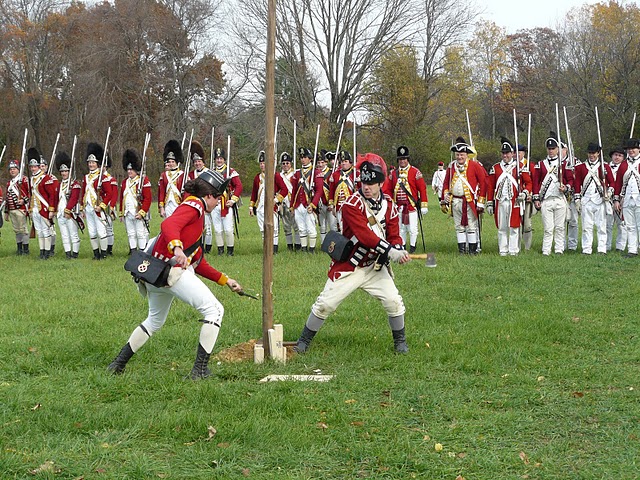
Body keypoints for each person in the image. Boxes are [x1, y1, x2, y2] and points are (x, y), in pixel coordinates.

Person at [108, 171, 245, 380]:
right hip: (169, 273)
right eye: (218, 198)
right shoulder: (195, 205)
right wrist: (177, 248)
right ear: (209, 195)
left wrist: (226, 281)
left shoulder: (197, 214)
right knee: (215, 310)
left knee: (154, 321)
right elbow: (169, 225)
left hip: (155, 275)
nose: (219, 203)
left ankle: (118, 364)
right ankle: (199, 371)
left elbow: (199, 263)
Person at [293, 154, 411, 355]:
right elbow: (364, 235)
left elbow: (394, 234)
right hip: (351, 265)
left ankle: (400, 342)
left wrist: (398, 248)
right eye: (364, 182)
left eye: (372, 182)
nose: (366, 186)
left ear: (381, 183)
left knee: (394, 301)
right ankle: (303, 341)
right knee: (325, 304)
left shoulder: (389, 205)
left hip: (375, 266)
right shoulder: (351, 205)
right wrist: (390, 250)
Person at [440, 137, 487, 254]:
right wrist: (445, 196)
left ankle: (472, 250)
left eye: (462, 155)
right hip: (455, 202)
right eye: (457, 155)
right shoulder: (451, 167)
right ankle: (462, 250)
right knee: (459, 226)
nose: (459, 157)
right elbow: (446, 183)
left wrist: (481, 201)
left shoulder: (475, 166)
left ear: (466, 155)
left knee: (471, 226)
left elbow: (484, 182)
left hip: (470, 201)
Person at [486, 137, 532, 256]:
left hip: (514, 201)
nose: (505, 155)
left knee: (514, 226)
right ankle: (503, 250)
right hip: (500, 201)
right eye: (503, 153)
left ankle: (513, 250)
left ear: (512, 153)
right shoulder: (495, 168)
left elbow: (529, 183)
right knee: (502, 227)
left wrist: (525, 193)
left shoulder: (519, 166)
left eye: (507, 153)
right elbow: (490, 187)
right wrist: (490, 202)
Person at [532, 132, 574, 256]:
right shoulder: (541, 164)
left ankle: (559, 249)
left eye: (553, 148)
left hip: (560, 199)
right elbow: (536, 183)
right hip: (546, 199)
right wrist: (536, 198)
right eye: (549, 149)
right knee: (548, 228)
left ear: (558, 149)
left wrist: (566, 188)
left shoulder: (564, 164)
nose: (551, 151)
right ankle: (546, 250)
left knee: (560, 227)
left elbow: (571, 180)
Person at [573, 143, 614, 255]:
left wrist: (609, 192)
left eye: (594, 153)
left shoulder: (604, 167)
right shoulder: (580, 167)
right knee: (587, 227)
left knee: (601, 226)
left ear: (598, 153)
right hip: (586, 200)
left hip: (600, 200)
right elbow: (577, 184)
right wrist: (577, 199)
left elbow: (612, 182)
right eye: (590, 153)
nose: (591, 155)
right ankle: (586, 249)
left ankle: (602, 248)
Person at [388, 146, 428, 253]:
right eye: (400, 159)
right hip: (398, 206)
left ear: (408, 159)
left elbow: (422, 189)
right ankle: (403, 246)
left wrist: (424, 205)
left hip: (411, 205)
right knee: (401, 228)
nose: (402, 161)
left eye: (404, 159)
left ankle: (412, 247)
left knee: (412, 229)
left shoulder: (415, 172)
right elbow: (389, 190)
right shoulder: (393, 174)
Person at [248, 151, 288, 253]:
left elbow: (284, 190)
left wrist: (275, 200)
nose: (262, 165)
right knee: (263, 230)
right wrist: (251, 206)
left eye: (264, 163)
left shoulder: (275, 175)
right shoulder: (258, 177)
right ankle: (266, 249)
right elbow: (254, 193)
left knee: (273, 229)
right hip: (260, 207)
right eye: (261, 163)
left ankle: (274, 249)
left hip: (272, 207)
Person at [81, 142, 115, 260]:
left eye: (93, 162)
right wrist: (82, 207)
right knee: (92, 232)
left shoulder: (102, 177)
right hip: (89, 207)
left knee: (101, 232)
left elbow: (109, 193)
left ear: (97, 164)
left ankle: (104, 253)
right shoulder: (86, 177)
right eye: (89, 162)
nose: (91, 164)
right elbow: (83, 193)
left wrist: (102, 206)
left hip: (98, 208)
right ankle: (96, 253)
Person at [119, 149, 152, 254]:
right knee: (130, 233)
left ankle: (142, 252)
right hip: (128, 212)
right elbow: (122, 198)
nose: (129, 171)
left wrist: (142, 212)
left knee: (140, 233)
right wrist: (121, 213)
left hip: (138, 212)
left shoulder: (143, 180)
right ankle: (133, 252)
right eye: (128, 169)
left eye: (131, 169)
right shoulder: (125, 182)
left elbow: (148, 199)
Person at [28, 148, 59, 259]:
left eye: (35, 166)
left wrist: (51, 209)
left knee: (46, 231)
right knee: (40, 231)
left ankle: (47, 252)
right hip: (35, 208)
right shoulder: (31, 179)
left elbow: (52, 195)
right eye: (31, 167)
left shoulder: (45, 178)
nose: (33, 169)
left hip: (44, 207)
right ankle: (41, 251)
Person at [211, 147, 242, 256]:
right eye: (217, 158)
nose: (219, 160)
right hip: (215, 204)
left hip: (227, 204)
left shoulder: (230, 171)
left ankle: (230, 251)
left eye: (221, 158)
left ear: (224, 159)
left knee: (228, 229)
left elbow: (239, 186)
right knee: (218, 230)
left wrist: (233, 200)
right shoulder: (212, 172)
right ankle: (220, 250)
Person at [613, 138, 640, 257]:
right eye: (629, 149)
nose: (630, 151)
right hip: (628, 199)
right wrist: (617, 200)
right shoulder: (623, 165)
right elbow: (618, 183)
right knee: (630, 226)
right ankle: (632, 250)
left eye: (633, 148)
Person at [291, 147, 321, 252]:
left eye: (305, 157)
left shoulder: (315, 172)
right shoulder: (297, 173)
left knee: (311, 227)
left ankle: (311, 249)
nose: (303, 159)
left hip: (309, 204)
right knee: (301, 228)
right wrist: (292, 206)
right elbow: (294, 191)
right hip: (298, 205)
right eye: (301, 157)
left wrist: (313, 205)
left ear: (310, 158)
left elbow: (319, 191)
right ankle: (304, 248)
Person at [187, 141, 214, 253]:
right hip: (196, 204)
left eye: (199, 161)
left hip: (207, 203)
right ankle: (199, 247)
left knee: (207, 227)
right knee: (199, 228)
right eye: (195, 162)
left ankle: (207, 248)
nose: (197, 163)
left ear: (203, 162)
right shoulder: (191, 175)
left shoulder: (209, 172)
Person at [55, 152, 82, 259]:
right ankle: (67, 253)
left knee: (73, 234)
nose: (64, 173)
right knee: (64, 235)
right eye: (62, 171)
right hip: (60, 213)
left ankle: (75, 254)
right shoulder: (59, 184)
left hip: (70, 213)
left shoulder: (74, 184)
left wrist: (68, 210)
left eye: (66, 171)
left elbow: (74, 198)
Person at [5, 159, 31, 255]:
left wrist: (24, 201)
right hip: (12, 210)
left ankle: (26, 249)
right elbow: (7, 198)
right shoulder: (9, 183)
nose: (12, 171)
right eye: (11, 169)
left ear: (18, 169)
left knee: (23, 229)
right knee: (16, 230)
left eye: (14, 169)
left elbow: (30, 193)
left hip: (21, 209)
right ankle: (19, 249)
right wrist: (6, 212)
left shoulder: (24, 180)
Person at [311, 151, 337, 243]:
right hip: (320, 204)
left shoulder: (331, 173)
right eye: (318, 163)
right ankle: (323, 244)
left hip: (329, 203)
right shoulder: (314, 173)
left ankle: (334, 244)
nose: (320, 164)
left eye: (322, 162)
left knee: (333, 226)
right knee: (322, 226)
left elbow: (334, 190)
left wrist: (332, 204)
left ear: (326, 162)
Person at [328, 150, 356, 232]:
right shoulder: (335, 174)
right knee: (341, 227)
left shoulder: (355, 174)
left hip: (351, 206)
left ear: (350, 162)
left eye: (346, 161)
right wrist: (331, 204)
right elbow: (332, 190)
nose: (343, 163)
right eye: (342, 161)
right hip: (339, 206)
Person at [158, 140, 185, 219]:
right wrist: (161, 207)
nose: (171, 164)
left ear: (177, 162)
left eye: (173, 161)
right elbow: (162, 192)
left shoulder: (182, 174)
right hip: (167, 205)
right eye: (169, 162)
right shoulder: (164, 175)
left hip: (179, 204)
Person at [278, 152, 300, 250]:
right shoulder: (279, 175)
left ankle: (298, 245)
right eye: (283, 163)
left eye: (287, 163)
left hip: (293, 203)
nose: (285, 165)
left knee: (296, 226)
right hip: (283, 203)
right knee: (286, 226)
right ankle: (289, 246)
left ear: (291, 164)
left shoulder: (295, 174)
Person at [606, 146, 627, 252]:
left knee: (621, 224)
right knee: (607, 224)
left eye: (620, 155)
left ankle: (620, 246)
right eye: (615, 155)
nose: (617, 157)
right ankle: (607, 246)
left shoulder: (626, 168)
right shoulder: (605, 167)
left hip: (621, 199)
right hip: (607, 200)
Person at [517, 145, 535, 250]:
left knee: (527, 224)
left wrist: (530, 195)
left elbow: (534, 181)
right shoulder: (513, 166)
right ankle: (517, 246)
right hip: (517, 199)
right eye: (515, 152)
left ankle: (527, 247)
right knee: (517, 224)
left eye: (519, 152)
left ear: (524, 153)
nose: (517, 154)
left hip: (527, 198)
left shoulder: (530, 165)